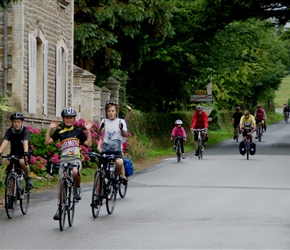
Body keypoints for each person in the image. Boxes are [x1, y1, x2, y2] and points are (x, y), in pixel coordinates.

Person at [45, 107, 92, 220]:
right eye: (66, 118)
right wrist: (50, 128)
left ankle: (78, 187)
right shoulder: (59, 132)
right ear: (63, 119)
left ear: (74, 119)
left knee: (76, 172)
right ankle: (60, 208)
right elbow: (47, 142)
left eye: (71, 118)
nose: (69, 120)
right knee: (61, 184)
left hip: (76, 159)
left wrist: (88, 129)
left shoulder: (78, 131)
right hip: (64, 160)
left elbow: (88, 143)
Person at [93, 101, 128, 207]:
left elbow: (125, 134)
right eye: (109, 111)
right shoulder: (104, 121)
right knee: (100, 172)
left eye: (113, 111)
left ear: (116, 111)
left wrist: (121, 128)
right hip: (106, 148)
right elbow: (98, 133)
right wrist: (101, 127)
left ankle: (115, 178)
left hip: (116, 148)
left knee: (119, 162)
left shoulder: (120, 121)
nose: (111, 113)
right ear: (106, 112)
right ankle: (98, 196)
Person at [0, 112, 33, 192]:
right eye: (14, 122)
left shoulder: (25, 131)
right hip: (14, 153)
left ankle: (28, 178)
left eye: (18, 122)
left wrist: (25, 153)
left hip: (24, 152)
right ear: (12, 122)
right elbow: (5, 141)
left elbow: (25, 142)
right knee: (10, 170)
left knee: (22, 162)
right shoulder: (9, 131)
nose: (16, 124)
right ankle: (10, 197)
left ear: (22, 122)